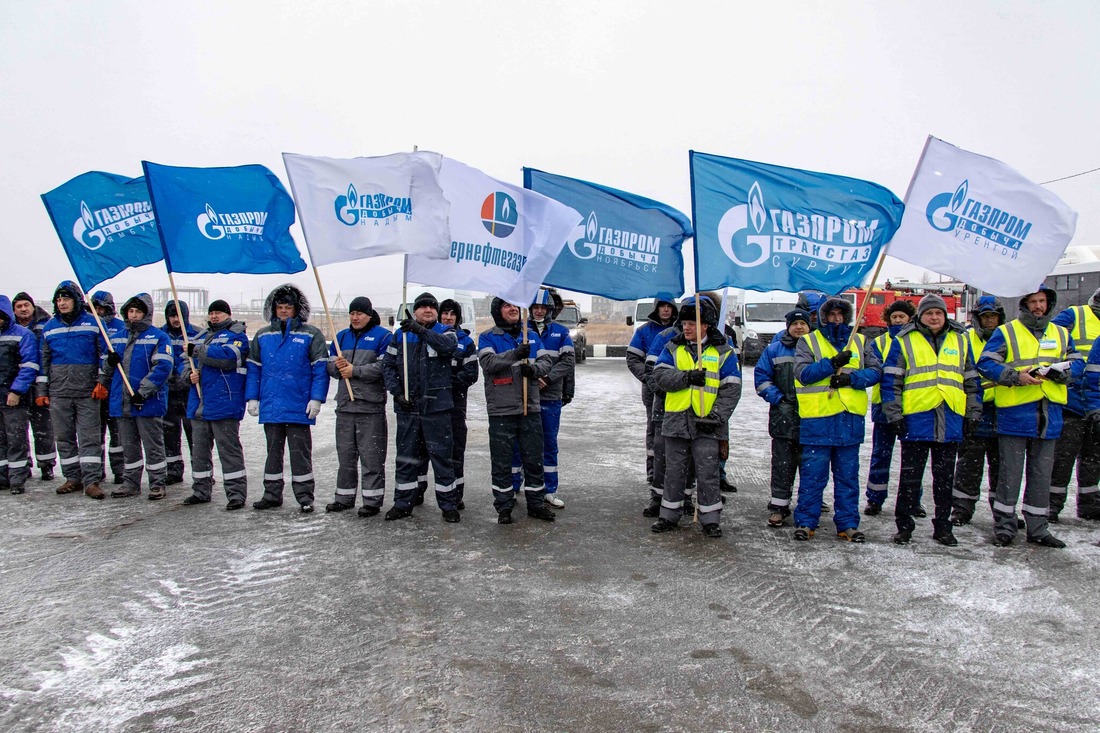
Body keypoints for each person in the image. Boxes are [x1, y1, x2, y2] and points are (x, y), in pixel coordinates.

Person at [976, 285, 1083, 548]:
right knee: (1009, 476)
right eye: (1033, 301)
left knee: (1041, 476)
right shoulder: (1006, 331)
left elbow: (1078, 362)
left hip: (1049, 416)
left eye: (1042, 301)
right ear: (1024, 304)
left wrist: (1062, 373)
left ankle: (1038, 528)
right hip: (1015, 414)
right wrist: (1015, 377)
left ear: (1049, 303)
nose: (1038, 306)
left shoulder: (1060, 332)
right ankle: (1005, 526)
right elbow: (986, 363)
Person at [879, 295, 982, 546]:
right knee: (910, 479)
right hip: (916, 420)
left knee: (944, 481)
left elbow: (971, 381)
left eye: (939, 313)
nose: (934, 317)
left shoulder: (960, 340)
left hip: (950, 420)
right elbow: (891, 382)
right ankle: (904, 526)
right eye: (929, 313)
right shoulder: (904, 340)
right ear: (920, 316)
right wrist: (894, 415)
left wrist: (973, 413)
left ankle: (943, 527)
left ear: (945, 316)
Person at [650, 294, 741, 538]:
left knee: (707, 473)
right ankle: (668, 516)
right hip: (676, 422)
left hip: (708, 423)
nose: (686, 327)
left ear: (706, 325)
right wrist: (687, 377)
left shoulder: (724, 352)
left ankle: (710, 520)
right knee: (674, 472)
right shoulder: (672, 348)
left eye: (692, 323)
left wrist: (716, 416)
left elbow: (732, 389)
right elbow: (659, 377)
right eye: (684, 323)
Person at [792, 296, 881, 542]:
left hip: (849, 420)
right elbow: (803, 374)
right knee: (812, 477)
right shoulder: (808, 341)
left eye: (841, 315)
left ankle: (848, 524)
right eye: (831, 315)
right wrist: (831, 364)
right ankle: (806, 522)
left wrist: (851, 379)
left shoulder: (861, 341)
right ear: (822, 318)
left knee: (848, 478)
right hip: (817, 420)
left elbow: (875, 371)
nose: (836, 319)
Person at [245, 284, 329, 513]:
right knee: (273, 452)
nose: (283, 311)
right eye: (280, 307)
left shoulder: (311, 334)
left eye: (288, 307)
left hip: (298, 405)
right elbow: (253, 368)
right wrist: (252, 397)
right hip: (271, 405)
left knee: (300, 453)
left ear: (296, 309)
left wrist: (316, 399)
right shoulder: (263, 335)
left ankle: (304, 496)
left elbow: (320, 368)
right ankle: (271, 494)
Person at [381, 292, 460, 522]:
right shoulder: (400, 336)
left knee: (442, 458)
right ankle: (403, 503)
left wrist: (421, 330)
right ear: (414, 311)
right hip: (408, 409)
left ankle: (448, 505)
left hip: (437, 409)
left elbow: (447, 348)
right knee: (406, 458)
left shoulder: (445, 332)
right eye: (423, 307)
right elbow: (388, 366)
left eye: (432, 307)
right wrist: (396, 393)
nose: (428, 310)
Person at [478, 297, 555, 524]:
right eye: (507, 305)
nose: (512, 309)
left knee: (534, 458)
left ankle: (536, 504)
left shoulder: (529, 335)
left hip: (529, 407)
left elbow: (546, 363)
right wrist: (515, 354)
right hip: (501, 409)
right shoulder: (487, 337)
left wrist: (533, 369)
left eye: (515, 305)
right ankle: (504, 506)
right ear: (497, 311)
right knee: (502, 461)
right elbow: (489, 364)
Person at [102, 293, 174, 500]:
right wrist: (109, 362)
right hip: (122, 401)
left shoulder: (159, 337)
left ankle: (157, 483)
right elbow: (108, 370)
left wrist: (143, 391)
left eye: (138, 311)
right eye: (131, 311)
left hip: (147, 402)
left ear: (146, 314)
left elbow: (163, 367)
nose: (134, 315)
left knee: (153, 446)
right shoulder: (117, 337)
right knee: (129, 446)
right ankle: (131, 482)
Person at [325, 296, 391, 516]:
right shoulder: (340, 337)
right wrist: (336, 366)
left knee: (371, 457)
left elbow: (385, 367)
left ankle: (372, 501)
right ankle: (344, 497)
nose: (355, 317)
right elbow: (329, 364)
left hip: (370, 407)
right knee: (345, 456)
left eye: (359, 313)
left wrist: (356, 371)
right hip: (345, 406)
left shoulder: (383, 336)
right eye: (352, 313)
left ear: (369, 315)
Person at [179, 300, 249, 510]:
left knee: (229, 452)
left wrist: (198, 350)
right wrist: (188, 375)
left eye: (218, 312)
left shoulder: (237, 337)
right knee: (199, 452)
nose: (214, 316)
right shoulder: (200, 337)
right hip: (199, 403)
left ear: (228, 314)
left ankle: (236, 494)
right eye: (211, 313)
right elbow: (184, 363)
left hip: (224, 403)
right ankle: (201, 490)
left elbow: (228, 358)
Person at [40, 281, 104, 498]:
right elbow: (44, 363)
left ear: (76, 300)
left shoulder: (94, 323)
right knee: (64, 438)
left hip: (87, 392)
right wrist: (42, 391)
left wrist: (101, 381)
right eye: (58, 300)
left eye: (66, 299)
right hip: (59, 392)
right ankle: (72, 477)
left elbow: (105, 355)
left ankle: (92, 481)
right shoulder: (50, 328)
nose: (61, 303)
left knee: (89, 438)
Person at [512, 288, 575, 508]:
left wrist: (547, 378)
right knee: (519, 443)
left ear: (549, 309)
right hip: (525, 396)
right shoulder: (520, 331)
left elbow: (568, 362)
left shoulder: (561, 332)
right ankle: (513, 485)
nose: (538, 311)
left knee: (548, 443)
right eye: (535, 307)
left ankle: (549, 489)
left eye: (542, 308)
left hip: (549, 396)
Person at [950, 296, 1006, 526]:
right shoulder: (965, 339)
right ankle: (962, 509)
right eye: (985, 317)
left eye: (993, 316)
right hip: (974, 408)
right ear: (977, 318)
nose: (990, 321)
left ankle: (1002, 510)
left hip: (1003, 410)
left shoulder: (1009, 337)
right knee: (968, 464)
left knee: (1002, 466)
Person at [755, 308, 811, 526]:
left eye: (803, 324)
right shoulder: (774, 350)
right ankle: (779, 506)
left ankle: (808, 505)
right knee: (782, 465)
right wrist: (778, 398)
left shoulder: (817, 348)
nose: (799, 327)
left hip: (812, 418)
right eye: (794, 324)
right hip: (783, 417)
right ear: (788, 327)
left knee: (810, 466)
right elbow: (761, 377)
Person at [1049, 287, 1100, 521]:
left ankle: (1089, 505)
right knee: (1062, 458)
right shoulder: (1075, 315)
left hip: (1096, 405)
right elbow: (1048, 338)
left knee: (1093, 459)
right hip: (1072, 402)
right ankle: (1051, 506)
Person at [864, 300, 917, 516]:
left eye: (901, 317)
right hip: (884, 406)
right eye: (894, 317)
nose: (897, 320)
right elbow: (875, 369)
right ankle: (875, 498)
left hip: (912, 406)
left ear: (909, 319)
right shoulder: (878, 342)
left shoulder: (916, 340)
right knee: (881, 454)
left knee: (912, 458)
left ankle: (913, 500)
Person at [626, 297, 678, 485]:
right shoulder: (644, 331)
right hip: (652, 390)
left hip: (678, 390)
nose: (665, 310)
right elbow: (633, 359)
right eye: (662, 307)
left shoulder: (681, 329)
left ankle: (675, 470)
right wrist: (650, 379)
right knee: (654, 429)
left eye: (669, 307)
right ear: (656, 309)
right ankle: (653, 469)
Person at [440, 298, 478, 509]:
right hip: (430, 405)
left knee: (455, 450)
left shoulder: (466, 342)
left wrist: (445, 384)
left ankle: (456, 494)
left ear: (457, 317)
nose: (448, 317)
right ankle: (416, 491)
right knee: (424, 451)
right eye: (444, 313)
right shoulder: (431, 337)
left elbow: (471, 373)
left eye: (452, 314)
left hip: (455, 404)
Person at [11, 292, 55, 481]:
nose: (23, 309)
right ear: (13, 310)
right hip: (16, 384)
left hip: (40, 382)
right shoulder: (8, 327)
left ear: (32, 306)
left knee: (43, 427)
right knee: (17, 429)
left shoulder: (45, 324)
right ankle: (24, 465)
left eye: (26, 305)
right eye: (19, 306)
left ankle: (46, 465)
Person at [0, 295, 39, 494]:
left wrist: (16, 390)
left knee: (16, 439)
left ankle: (17, 479)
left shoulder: (23, 334)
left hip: (14, 397)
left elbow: (29, 365)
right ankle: (2, 477)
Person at [162, 301, 200, 486]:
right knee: (169, 432)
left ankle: (200, 470)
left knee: (195, 433)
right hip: (167, 392)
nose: (176, 320)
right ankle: (173, 470)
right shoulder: (160, 334)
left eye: (179, 315)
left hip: (190, 392)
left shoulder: (196, 334)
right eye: (172, 316)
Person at [90, 291, 126, 484]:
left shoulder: (120, 328)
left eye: (101, 308)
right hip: (92, 388)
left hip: (115, 389)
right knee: (95, 433)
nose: (97, 311)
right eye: (94, 308)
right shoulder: (88, 326)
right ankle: (96, 471)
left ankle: (119, 470)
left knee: (117, 434)